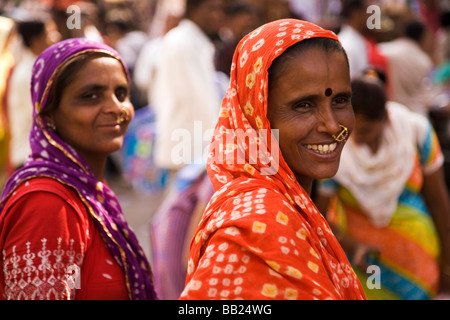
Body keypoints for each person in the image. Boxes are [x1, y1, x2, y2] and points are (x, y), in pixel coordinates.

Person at [180, 18, 365, 300]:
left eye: (340, 100)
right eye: (304, 105)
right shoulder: (254, 229)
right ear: (256, 115)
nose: (331, 125)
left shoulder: (290, 204)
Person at [0, 38, 157, 300]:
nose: (116, 108)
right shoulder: (48, 203)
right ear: (48, 113)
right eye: (90, 96)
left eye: (121, 93)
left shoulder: (90, 190)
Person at [315, 73, 450, 300]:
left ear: (385, 117)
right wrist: (352, 245)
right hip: (367, 266)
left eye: (366, 130)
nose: (356, 138)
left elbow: (438, 201)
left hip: (418, 262)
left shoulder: (416, 133)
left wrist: (447, 263)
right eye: (349, 130)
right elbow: (320, 219)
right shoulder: (335, 149)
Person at [7, 19, 59, 172]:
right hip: (32, 156)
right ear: (36, 40)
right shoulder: (31, 73)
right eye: (50, 33)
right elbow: (43, 116)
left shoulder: (35, 68)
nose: (55, 37)